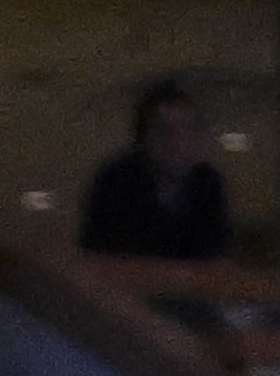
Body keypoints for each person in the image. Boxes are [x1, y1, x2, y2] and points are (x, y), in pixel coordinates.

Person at [80, 76, 234, 260]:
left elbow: (214, 253)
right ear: (144, 139)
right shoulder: (116, 182)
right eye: (164, 131)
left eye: (187, 130)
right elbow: (102, 256)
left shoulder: (208, 183)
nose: (177, 142)